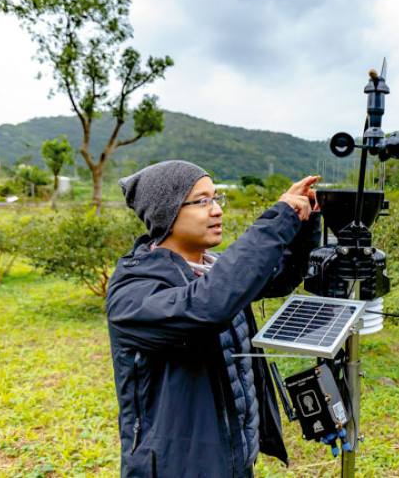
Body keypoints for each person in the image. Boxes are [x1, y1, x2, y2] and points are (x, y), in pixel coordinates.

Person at [106, 160, 321, 477]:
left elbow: (277, 274)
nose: (217, 210)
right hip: (177, 467)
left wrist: (303, 224)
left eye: (216, 198)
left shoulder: (212, 268)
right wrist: (278, 219)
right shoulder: (133, 291)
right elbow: (208, 303)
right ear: (167, 212)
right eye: (202, 201)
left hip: (232, 457)